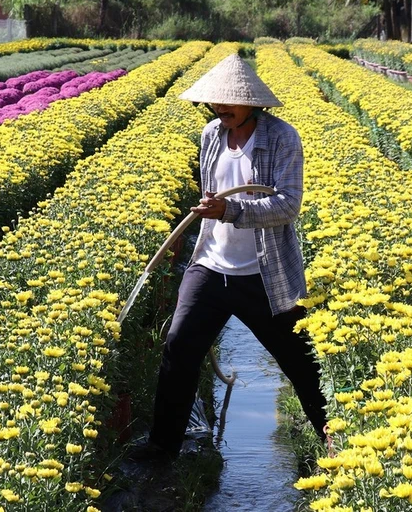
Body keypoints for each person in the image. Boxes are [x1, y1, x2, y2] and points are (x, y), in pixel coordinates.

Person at [135, 54, 327, 460]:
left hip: (263, 273)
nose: (221, 110)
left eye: (230, 104)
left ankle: (336, 441)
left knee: (300, 363)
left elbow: (288, 205)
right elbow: (214, 193)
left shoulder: (282, 138)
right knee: (179, 347)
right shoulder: (211, 134)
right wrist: (213, 210)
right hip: (211, 265)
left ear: (253, 103)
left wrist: (233, 211)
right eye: (216, 103)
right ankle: (162, 448)